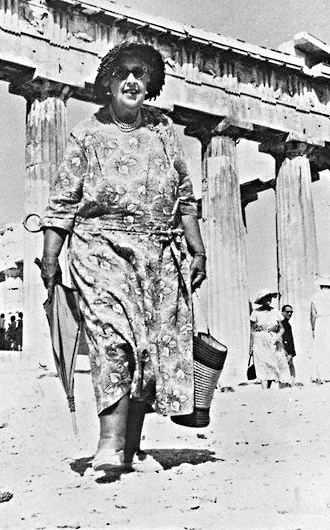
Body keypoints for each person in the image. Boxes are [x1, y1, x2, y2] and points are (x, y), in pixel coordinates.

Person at [40, 41, 207, 473]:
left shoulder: (164, 131)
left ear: (151, 83)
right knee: (113, 341)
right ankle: (109, 446)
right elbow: (62, 203)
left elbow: (186, 197)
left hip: (158, 255)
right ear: (108, 82)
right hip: (100, 249)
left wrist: (197, 248)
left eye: (141, 73)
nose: (132, 80)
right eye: (123, 73)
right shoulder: (86, 135)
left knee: (147, 352)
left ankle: (131, 451)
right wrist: (50, 258)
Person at [250, 289, 291, 390]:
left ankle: (281, 387)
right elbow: (252, 331)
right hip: (259, 340)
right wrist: (251, 346)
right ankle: (265, 390)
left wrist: (277, 337)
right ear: (262, 299)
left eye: (269, 297)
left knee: (276, 362)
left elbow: (282, 328)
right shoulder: (255, 312)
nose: (268, 300)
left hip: (273, 339)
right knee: (262, 364)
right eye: (266, 298)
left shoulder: (275, 311)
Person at [281, 304, 296, 385]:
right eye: (287, 312)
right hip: (284, 353)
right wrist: (286, 352)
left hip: (288, 353)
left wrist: (292, 354)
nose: (289, 314)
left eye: (291, 312)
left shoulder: (287, 324)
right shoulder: (281, 324)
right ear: (282, 312)